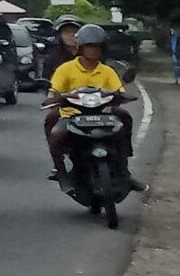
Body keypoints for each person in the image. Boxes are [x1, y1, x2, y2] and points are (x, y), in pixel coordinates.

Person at [46, 23, 130, 183]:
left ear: (102, 49)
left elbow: (119, 90)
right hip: (72, 115)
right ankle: (61, 171)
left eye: (97, 47)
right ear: (81, 48)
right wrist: (52, 98)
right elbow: (54, 90)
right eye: (89, 47)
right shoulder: (66, 69)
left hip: (103, 115)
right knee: (56, 136)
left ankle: (124, 168)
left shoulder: (108, 71)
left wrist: (122, 98)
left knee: (125, 118)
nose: (93, 51)